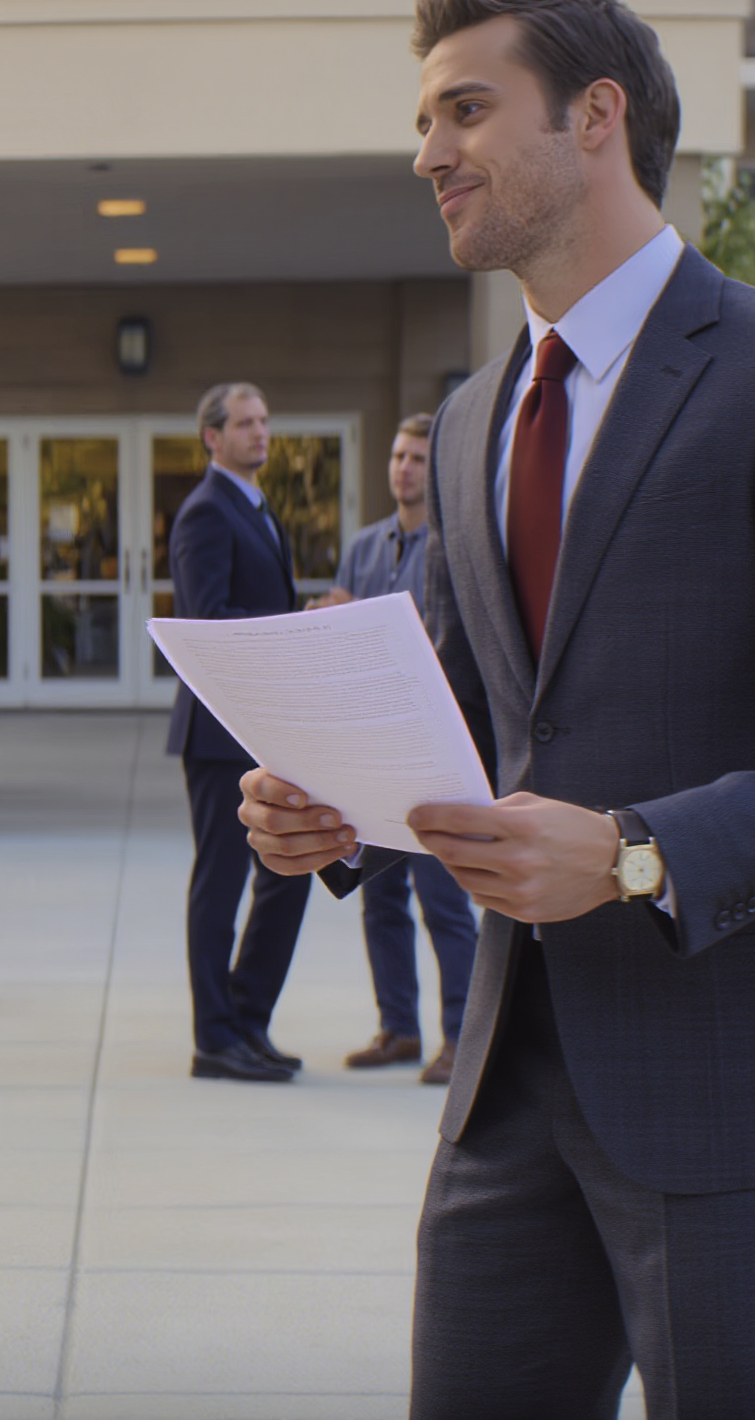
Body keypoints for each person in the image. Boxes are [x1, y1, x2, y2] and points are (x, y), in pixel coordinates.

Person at [237, 0, 755, 1413]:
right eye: (422, 119)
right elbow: (472, 707)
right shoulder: (469, 413)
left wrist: (637, 852)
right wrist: (329, 803)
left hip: (746, 1089)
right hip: (510, 1084)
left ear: (597, 117)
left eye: (466, 108)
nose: (429, 152)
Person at [316, 413, 477, 1086]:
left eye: (416, 458)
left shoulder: (453, 548)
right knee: (378, 898)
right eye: (397, 456)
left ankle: (462, 1037)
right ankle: (398, 1028)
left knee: (443, 902)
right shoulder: (363, 546)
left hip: (425, 749)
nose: (404, 468)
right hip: (367, 747)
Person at [166, 381, 313, 1084]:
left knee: (290, 876)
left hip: (266, 728)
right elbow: (205, 622)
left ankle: (248, 1021)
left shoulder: (256, 507)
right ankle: (213, 1040)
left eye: (264, 419)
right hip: (219, 733)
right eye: (246, 422)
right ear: (211, 437)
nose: (261, 432)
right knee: (220, 885)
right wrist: (292, 633)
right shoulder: (204, 512)